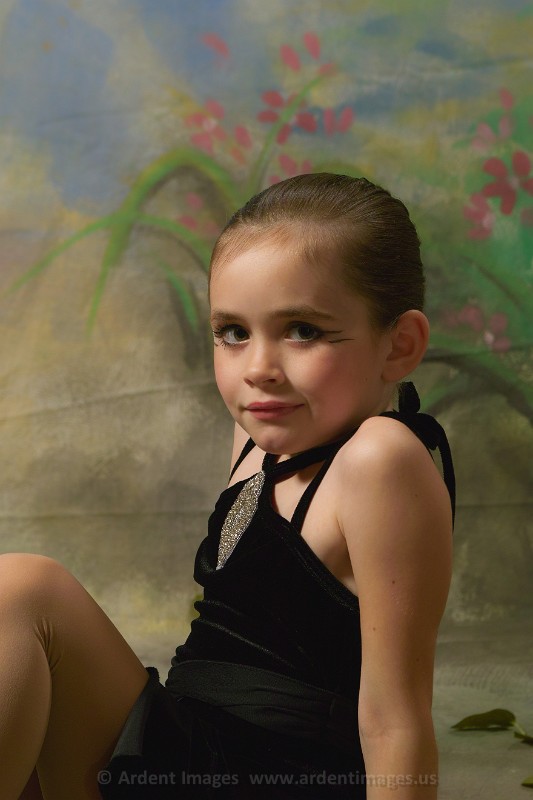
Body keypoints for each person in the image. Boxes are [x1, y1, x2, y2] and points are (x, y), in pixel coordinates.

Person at [2, 173, 455, 799]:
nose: (259, 369)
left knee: (24, 587)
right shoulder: (255, 437)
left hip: (271, 773)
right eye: (234, 333)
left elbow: (394, 719)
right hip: (191, 748)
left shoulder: (380, 459)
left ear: (399, 346)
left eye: (302, 330)